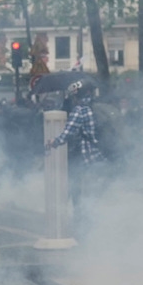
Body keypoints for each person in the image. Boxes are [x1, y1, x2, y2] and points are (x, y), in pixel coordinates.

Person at [48, 80, 104, 234]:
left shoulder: (80, 110)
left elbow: (68, 132)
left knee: (78, 189)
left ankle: (82, 223)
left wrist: (54, 141)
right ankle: (100, 221)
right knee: (96, 190)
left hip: (85, 157)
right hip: (100, 156)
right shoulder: (99, 108)